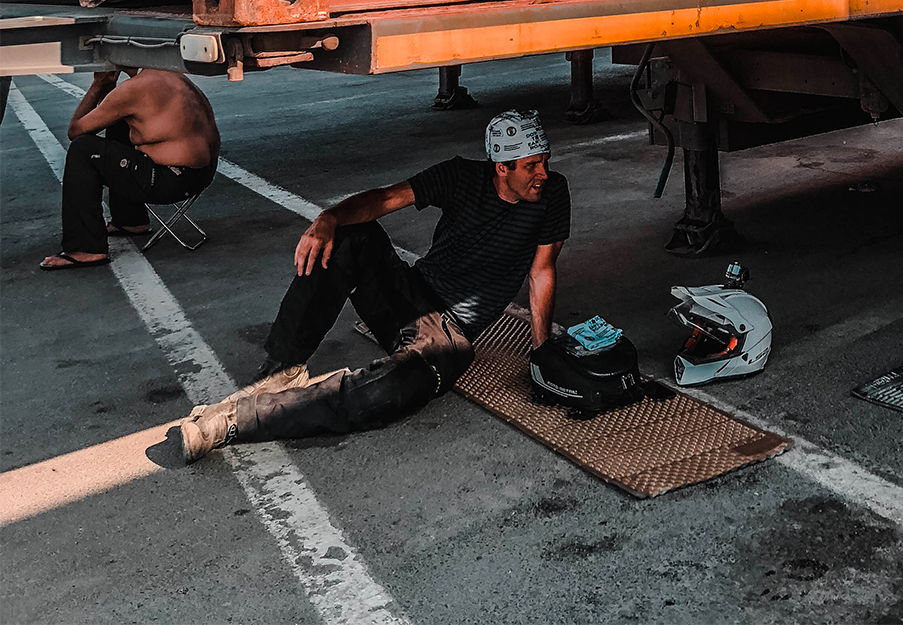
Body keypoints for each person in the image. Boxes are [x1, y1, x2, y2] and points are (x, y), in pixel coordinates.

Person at [179, 109, 570, 462]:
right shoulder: (460, 177)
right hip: (406, 292)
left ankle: (238, 420)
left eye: (545, 161)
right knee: (350, 237)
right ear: (502, 167)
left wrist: (542, 354)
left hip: (450, 334)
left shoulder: (553, 194)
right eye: (532, 165)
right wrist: (329, 218)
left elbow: (541, 272)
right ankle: (283, 369)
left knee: (388, 394)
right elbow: (385, 199)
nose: (543, 173)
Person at [39, 69, 220, 270]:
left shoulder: (134, 89)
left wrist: (98, 84)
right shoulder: (173, 76)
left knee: (83, 149)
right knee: (119, 124)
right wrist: (109, 85)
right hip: (201, 174)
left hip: (170, 181)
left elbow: (76, 131)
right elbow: (109, 111)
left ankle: (85, 249)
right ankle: (130, 220)